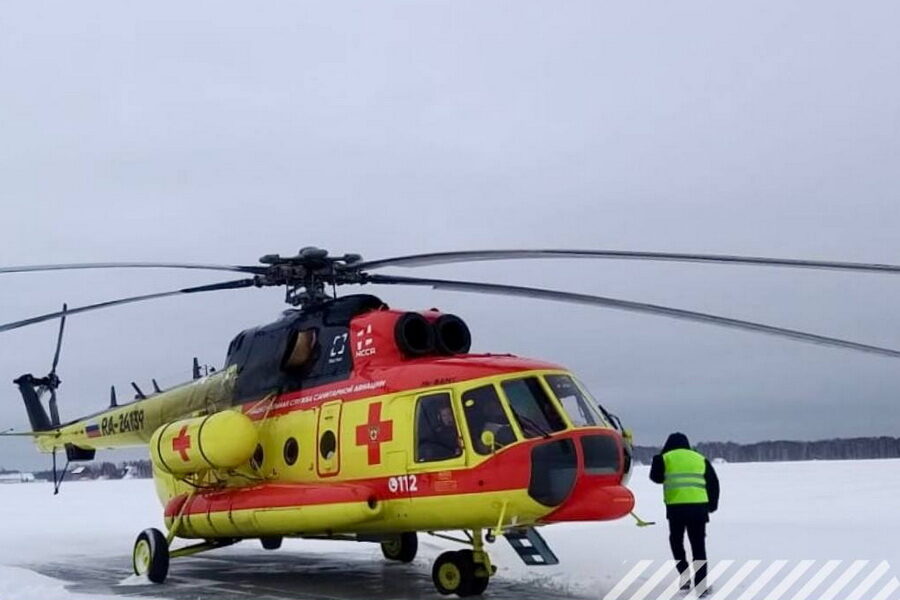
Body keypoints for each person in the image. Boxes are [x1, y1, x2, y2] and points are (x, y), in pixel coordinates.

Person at [649, 432, 720, 594]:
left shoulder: (665, 458)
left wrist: (658, 459)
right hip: (699, 509)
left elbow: (656, 478)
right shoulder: (700, 458)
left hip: (676, 509)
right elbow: (713, 483)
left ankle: (685, 576)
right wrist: (712, 505)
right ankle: (701, 586)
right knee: (698, 546)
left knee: (676, 541)